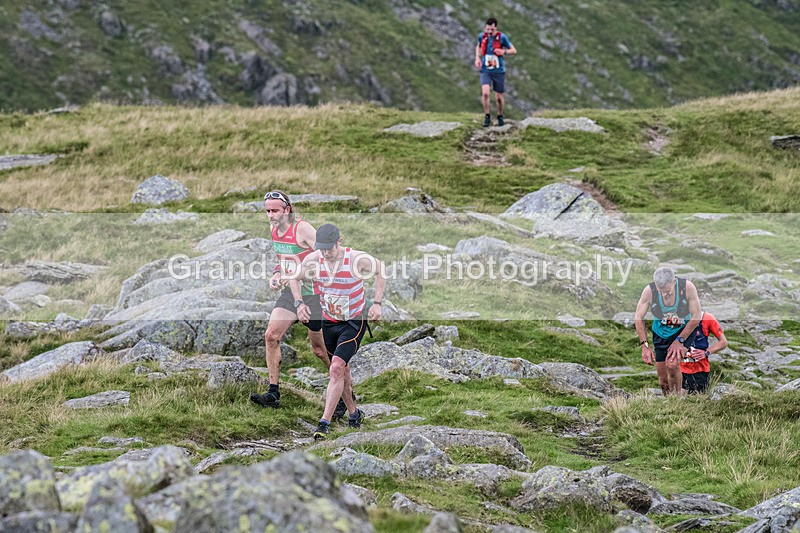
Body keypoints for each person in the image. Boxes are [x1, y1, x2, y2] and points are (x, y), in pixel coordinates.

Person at [250, 191, 350, 417]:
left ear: (287, 209)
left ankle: (344, 397)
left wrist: (300, 273)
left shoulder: (303, 229)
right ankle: (273, 393)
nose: (271, 215)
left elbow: (329, 258)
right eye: (267, 211)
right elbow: (282, 261)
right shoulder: (274, 229)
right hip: (291, 293)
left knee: (320, 351)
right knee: (271, 335)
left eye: (275, 210)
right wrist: (278, 274)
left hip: (316, 296)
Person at [289, 223, 386, 440]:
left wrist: (377, 303)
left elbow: (382, 270)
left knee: (336, 367)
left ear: (338, 242)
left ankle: (324, 424)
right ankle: (354, 413)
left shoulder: (356, 259)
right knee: (342, 371)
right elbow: (293, 277)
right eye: (321, 249)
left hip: (353, 321)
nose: (325, 254)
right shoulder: (314, 259)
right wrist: (299, 304)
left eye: (329, 249)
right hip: (329, 322)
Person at [634, 266, 702, 395]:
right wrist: (645, 346)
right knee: (663, 381)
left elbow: (696, 316)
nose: (664, 294)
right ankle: (668, 403)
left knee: (672, 365)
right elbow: (638, 317)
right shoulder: (649, 291)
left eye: (667, 291)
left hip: (682, 331)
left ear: (674, 282)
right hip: (661, 334)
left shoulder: (687, 287)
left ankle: (677, 402)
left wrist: (679, 341)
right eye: (661, 291)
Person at [474, 17, 517, 127]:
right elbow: (478, 46)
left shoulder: (502, 38)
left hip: (498, 71)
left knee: (498, 97)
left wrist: (503, 51)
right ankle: (487, 116)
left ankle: (500, 115)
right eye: (487, 29)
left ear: (496, 28)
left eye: (492, 30)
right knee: (485, 93)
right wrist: (477, 58)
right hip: (485, 70)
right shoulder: (482, 36)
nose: (489, 32)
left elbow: (514, 50)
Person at [681, 311, 727, 394]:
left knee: (697, 401)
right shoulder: (676, 317)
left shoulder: (707, 318)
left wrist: (706, 352)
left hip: (699, 369)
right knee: (676, 399)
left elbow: (723, 342)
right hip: (677, 368)